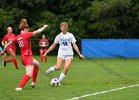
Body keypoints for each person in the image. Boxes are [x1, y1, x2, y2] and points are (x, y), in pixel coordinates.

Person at [1, 19, 48, 91]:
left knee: (37, 64)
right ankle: (19, 87)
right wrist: (44, 27)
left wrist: (3, 51)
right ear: (25, 29)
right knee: (29, 74)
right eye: (28, 29)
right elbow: (38, 31)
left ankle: (33, 83)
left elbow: (7, 44)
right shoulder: (26, 34)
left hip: (23, 57)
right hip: (28, 57)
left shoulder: (17, 37)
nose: (28, 30)